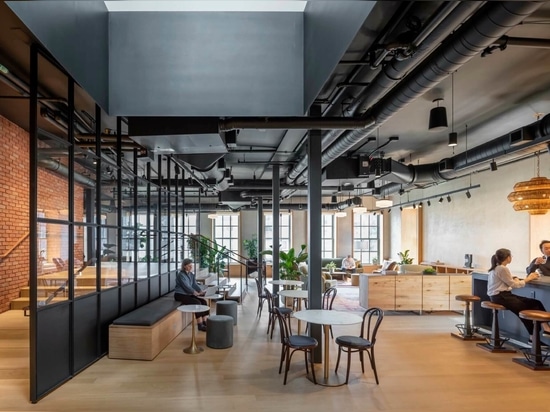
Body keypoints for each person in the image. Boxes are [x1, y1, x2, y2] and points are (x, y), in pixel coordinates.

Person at [487, 248, 550, 341]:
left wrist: (514, 279)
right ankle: (534, 338)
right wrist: (528, 278)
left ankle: (545, 328)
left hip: (499, 296)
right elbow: (514, 285)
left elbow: (508, 283)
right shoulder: (502, 268)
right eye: (511, 256)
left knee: (535, 302)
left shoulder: (497, 267)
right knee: (525, 310)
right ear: (508, 257)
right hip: (502, 296)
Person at [174, 258, 209, 331]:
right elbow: (186, 286)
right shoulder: (181, 275)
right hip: (180, 294)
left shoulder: (191, 274)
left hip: (188, 294)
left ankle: (205, 321)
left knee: (203, 302)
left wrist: (200, 291)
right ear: (184, 266)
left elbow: (194, 284)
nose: (191, 267)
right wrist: (194, 292)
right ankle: (200, 324)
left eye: (191, 265)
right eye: (189, 266)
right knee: (197, 303)